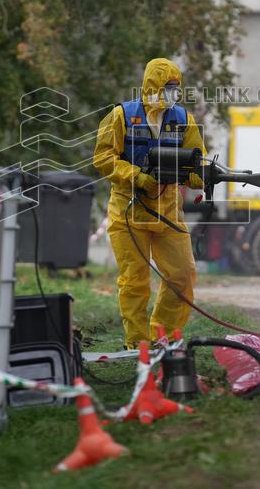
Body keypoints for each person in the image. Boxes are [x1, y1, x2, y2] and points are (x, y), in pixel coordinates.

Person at [93, 58, 205, 348]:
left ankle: (162, 337)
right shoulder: (121, 115)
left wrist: (202, 177)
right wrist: (137, 177)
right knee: (135, 281)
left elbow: (197, 161)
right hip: (128, 211)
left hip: (168, 211)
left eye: (176, 87)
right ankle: (138, 344)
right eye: (169, 87)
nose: (173, 93)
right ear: (154, 85)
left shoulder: (183, 119)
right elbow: (103, 158)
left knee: (182, 274)